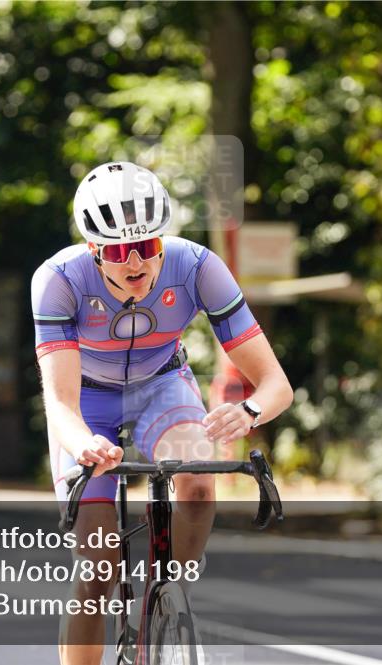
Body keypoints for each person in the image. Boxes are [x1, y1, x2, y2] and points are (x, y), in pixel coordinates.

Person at [32, 161, 293, 665]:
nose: (136, 263)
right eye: (118, 251)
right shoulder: (58, 280)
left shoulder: (196, 266)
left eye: (148, 247)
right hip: (86, 400)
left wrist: (251, 410)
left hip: (162, 385)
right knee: (98, 568)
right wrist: (84, 442)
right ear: (94, 251)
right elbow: (61, 403)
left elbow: (277, 385)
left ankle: (169, 593)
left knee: (196, 476)